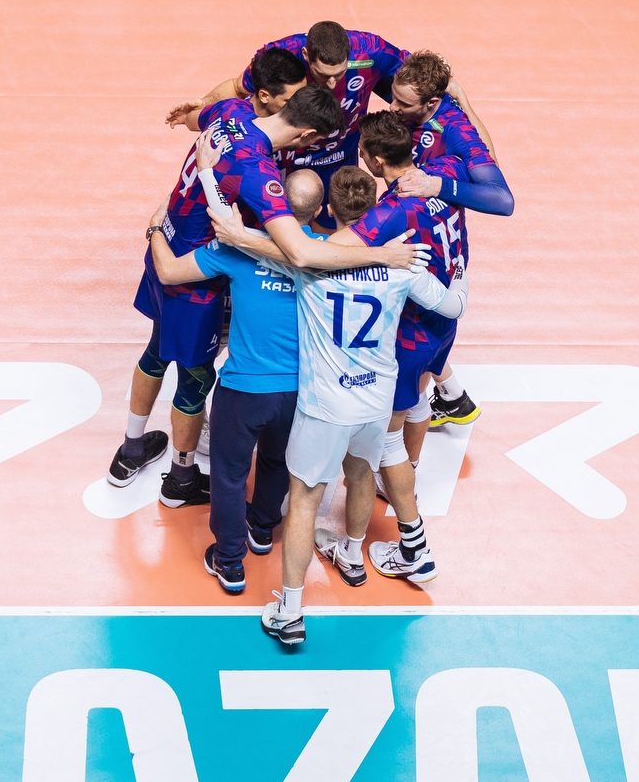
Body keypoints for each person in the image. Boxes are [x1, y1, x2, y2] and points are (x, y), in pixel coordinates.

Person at [110, 85, 418, 508]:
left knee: (155, 352)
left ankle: (130, 448)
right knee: (196, 379)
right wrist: (383, 254)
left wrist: (162, 221)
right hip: (197, 288)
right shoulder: (260, 175)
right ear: (307, 136)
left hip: (172, 246)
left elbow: (194, 118)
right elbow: (301, 253)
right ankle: (181, 478)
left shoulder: (231, 112)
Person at [211, 167, 464, 645]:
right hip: (376, 400)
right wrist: (462, 278)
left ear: (331, 210)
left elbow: (270, 248)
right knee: (362, 473)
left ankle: (289, 611)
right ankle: (351, 553)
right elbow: (452, 307)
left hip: (326, 406)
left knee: (304, 499)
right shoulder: (402, 263)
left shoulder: (313, 262)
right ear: (376, 212)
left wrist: (229, 216)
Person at [142, 165, 330, 594]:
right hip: (302, 391)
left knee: (228, 475)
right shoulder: (331, 254)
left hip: (244, 389)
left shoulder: (240, 248)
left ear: (274, 205)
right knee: (277, 461)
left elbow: (168, 272)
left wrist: (154, 228)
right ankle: (261, 529)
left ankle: (229, 562)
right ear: (320, 211)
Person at [335, 111, 472, 582]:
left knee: (387, 439)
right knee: (418, 402)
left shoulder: (392, 211)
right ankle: (404, 475)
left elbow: (323, 252)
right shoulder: (442, 178)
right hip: (442, 328)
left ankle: (415, 549)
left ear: (376, 159)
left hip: (408, 336)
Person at [168, 21, 407, 228]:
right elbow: (238, 88)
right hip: (286, 156)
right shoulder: (282, 54)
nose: (332, 84)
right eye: (323, 75)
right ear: (306, 55)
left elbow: (415, 78)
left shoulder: (372, 50)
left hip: (338, 156)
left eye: (340, 73)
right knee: (277, 225)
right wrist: (205, 104)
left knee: (337, 226)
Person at [387, 50, 516, 429]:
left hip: (436, 249)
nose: (392, 107)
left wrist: (437, 185)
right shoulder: (412, 101)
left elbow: (502, 199)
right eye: (393, 97)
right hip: (421, 228)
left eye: (402, 104)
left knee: (418, 337)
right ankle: (452, 397)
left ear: (431, 102)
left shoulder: (454, 127)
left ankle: (407, 432)